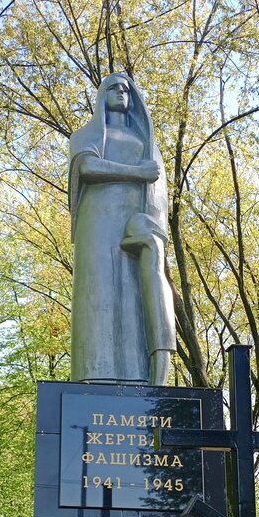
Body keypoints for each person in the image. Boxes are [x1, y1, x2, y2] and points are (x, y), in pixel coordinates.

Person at [68, 73, 176, 385]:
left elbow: (158, 190)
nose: (120, 93)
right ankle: (95, 376)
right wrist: (138, 173)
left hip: (134, 223)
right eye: (113, 88)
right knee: (99, 291)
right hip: (98, 222)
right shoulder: (87, 135)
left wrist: (156, 228)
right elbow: (88, 167)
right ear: (102, 95)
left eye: (126, 89)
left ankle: (139, 377)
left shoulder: (145, 144)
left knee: (132, 297)